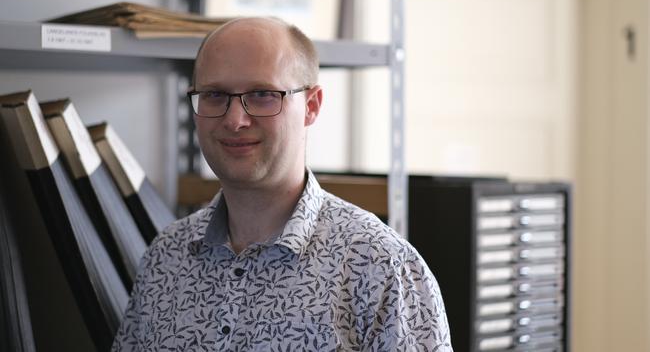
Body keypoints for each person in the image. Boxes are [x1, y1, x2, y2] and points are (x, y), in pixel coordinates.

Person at [112, 17, 453, 351]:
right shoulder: (166, 257)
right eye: (215, 94)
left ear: (311, 106)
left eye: (262, 94)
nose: (235, 120)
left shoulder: (380, 267)